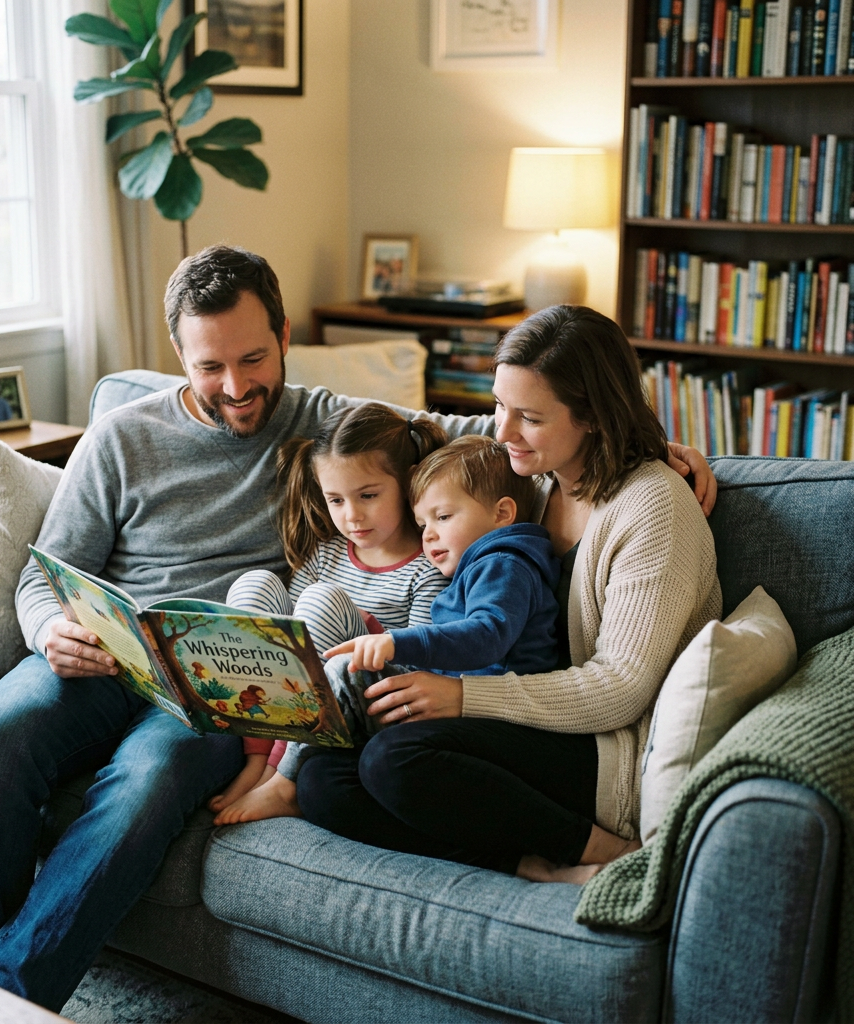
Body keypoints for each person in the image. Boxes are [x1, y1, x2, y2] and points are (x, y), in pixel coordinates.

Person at [0, 248, 717, 1012]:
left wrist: (657, 447)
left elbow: (479, 437)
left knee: (144, 790)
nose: (236, 387)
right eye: (209, 367)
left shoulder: (325, 421)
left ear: (284, 339)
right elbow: (42, 573)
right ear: (177, 354)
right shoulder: (122, 438)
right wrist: (47, 629)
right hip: (106, 651)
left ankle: (0, 1002)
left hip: (223, 673)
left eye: (252, 359)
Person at [293, 305, 723, 885]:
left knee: (394, 760)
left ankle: (601, 847)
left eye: (529, 417)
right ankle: (528, 863)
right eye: (499, 405)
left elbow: (619, 691)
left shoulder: (654, 509)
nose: (501, 432)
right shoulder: (531, 482)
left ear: (594, 414)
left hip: (602, 747)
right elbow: (410, 437)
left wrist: (462, 697)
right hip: (522, 722)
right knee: (321, 778)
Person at [216, 434, 562, 826]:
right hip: (454, 705)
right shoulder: (487, 565)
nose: (428, 535)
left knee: (343, 673)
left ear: (502, 514)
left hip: (488, 718)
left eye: (443, 518)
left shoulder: (504, 565)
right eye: (422, 523)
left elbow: (486, 636)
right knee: (297, 627)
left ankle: (282, 783)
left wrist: (393, 641)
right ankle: (262, 756)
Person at [208, 402, 451, 819]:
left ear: (409, 483)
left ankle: (281, 776)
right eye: (335, 500)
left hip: (371, 705)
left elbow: (419, 668)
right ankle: (255, 756)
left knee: (321, 602)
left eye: (368, 496)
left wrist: (365, 629)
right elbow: (287, 642)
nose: (351, 516)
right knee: (256, 584)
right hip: (295, 700)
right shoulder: (327, 554)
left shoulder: (427, 569)